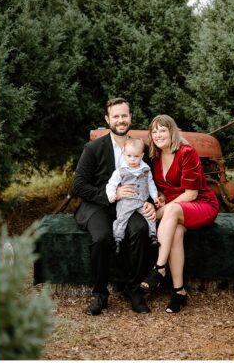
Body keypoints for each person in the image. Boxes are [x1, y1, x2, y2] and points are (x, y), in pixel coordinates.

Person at [73, 98, 155, 315]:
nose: (121, 120)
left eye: (124, 115)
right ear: (108, 119)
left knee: (140, 229)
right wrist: (111, 195)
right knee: (101, 237)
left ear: (130, 118)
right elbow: (79, 185)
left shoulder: (140, 147)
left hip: (131, 205)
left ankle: (133, 289)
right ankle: (100, 294)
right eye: (116, 116)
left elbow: (149, 180)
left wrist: (151, 202)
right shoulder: (93, 148)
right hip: (98, 205)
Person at [141, 115, 219, 313]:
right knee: (175, 232)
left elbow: (191, 193)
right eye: (154, 131)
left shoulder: (186, 152)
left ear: (172, 132)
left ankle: (159, 268)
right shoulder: (156, 157)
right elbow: (164, 188)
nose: (158, 135)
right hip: (178, 208)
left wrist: (160, 211)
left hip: (201, 203)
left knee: (170, 212)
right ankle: (179, 291)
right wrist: (159, 198)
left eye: (162, 130)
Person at [106, 136, 161, 253]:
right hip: (126, 201)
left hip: (142, 201)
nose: (132, 159)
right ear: (124, 155)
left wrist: (155, 197)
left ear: (141, 155)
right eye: (129, 156)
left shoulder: (146, 169)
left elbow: (150, 184)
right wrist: (111, 195)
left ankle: (153, 236)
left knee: (150, 217)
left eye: (136, 156)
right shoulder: (120, 170)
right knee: (121, 219)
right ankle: (118, 240)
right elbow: (111, 184)